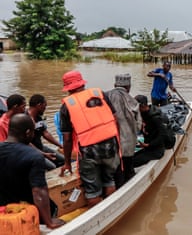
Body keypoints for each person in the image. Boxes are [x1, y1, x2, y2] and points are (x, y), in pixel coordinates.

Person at [59, 70, 121, 208]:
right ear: (81, 83)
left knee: (92, 191)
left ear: (68, 88)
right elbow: (116, 120)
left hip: (88, 151)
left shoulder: (66, 106)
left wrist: (67, 163)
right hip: (110, 146)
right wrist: (117, 144)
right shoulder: (100, 94)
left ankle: (99, 218)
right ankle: (113, 210)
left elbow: (67, 139)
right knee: (109, 180)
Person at [0, 113, 65, 229]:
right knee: (53, 207)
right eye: (33, 132)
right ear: (28, 133)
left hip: (3, 209)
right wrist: (49, 222)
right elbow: (38, 192)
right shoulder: (34, 156)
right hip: (25, 210)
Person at [107, 73, 142, 188]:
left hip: (109, 142)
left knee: (116, 168)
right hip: (127, 142)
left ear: (115, 84)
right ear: (129, 87)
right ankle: (128, 186)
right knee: (127, 166)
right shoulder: (132, 100)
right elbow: (138, 124)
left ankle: (116, 187)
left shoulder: (105, 96)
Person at [27, 94, 65, 170]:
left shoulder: (38, 117)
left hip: (40, 147)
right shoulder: (24, 119)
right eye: (45, 106)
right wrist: (43, 154)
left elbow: (45, 133)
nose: (45, 108)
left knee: (63, 159)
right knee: (52, 167)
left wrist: (60, 145)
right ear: (39, 105)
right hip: (29, 151)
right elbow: (26, 142)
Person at [133, 94, 170, 167]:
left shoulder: (155, 118)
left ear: (143, 106)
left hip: (156, 150)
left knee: (132, 162)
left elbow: (163, 135)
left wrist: (149, 144)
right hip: (147, 146)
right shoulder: (142, 114)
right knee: (129, 159)